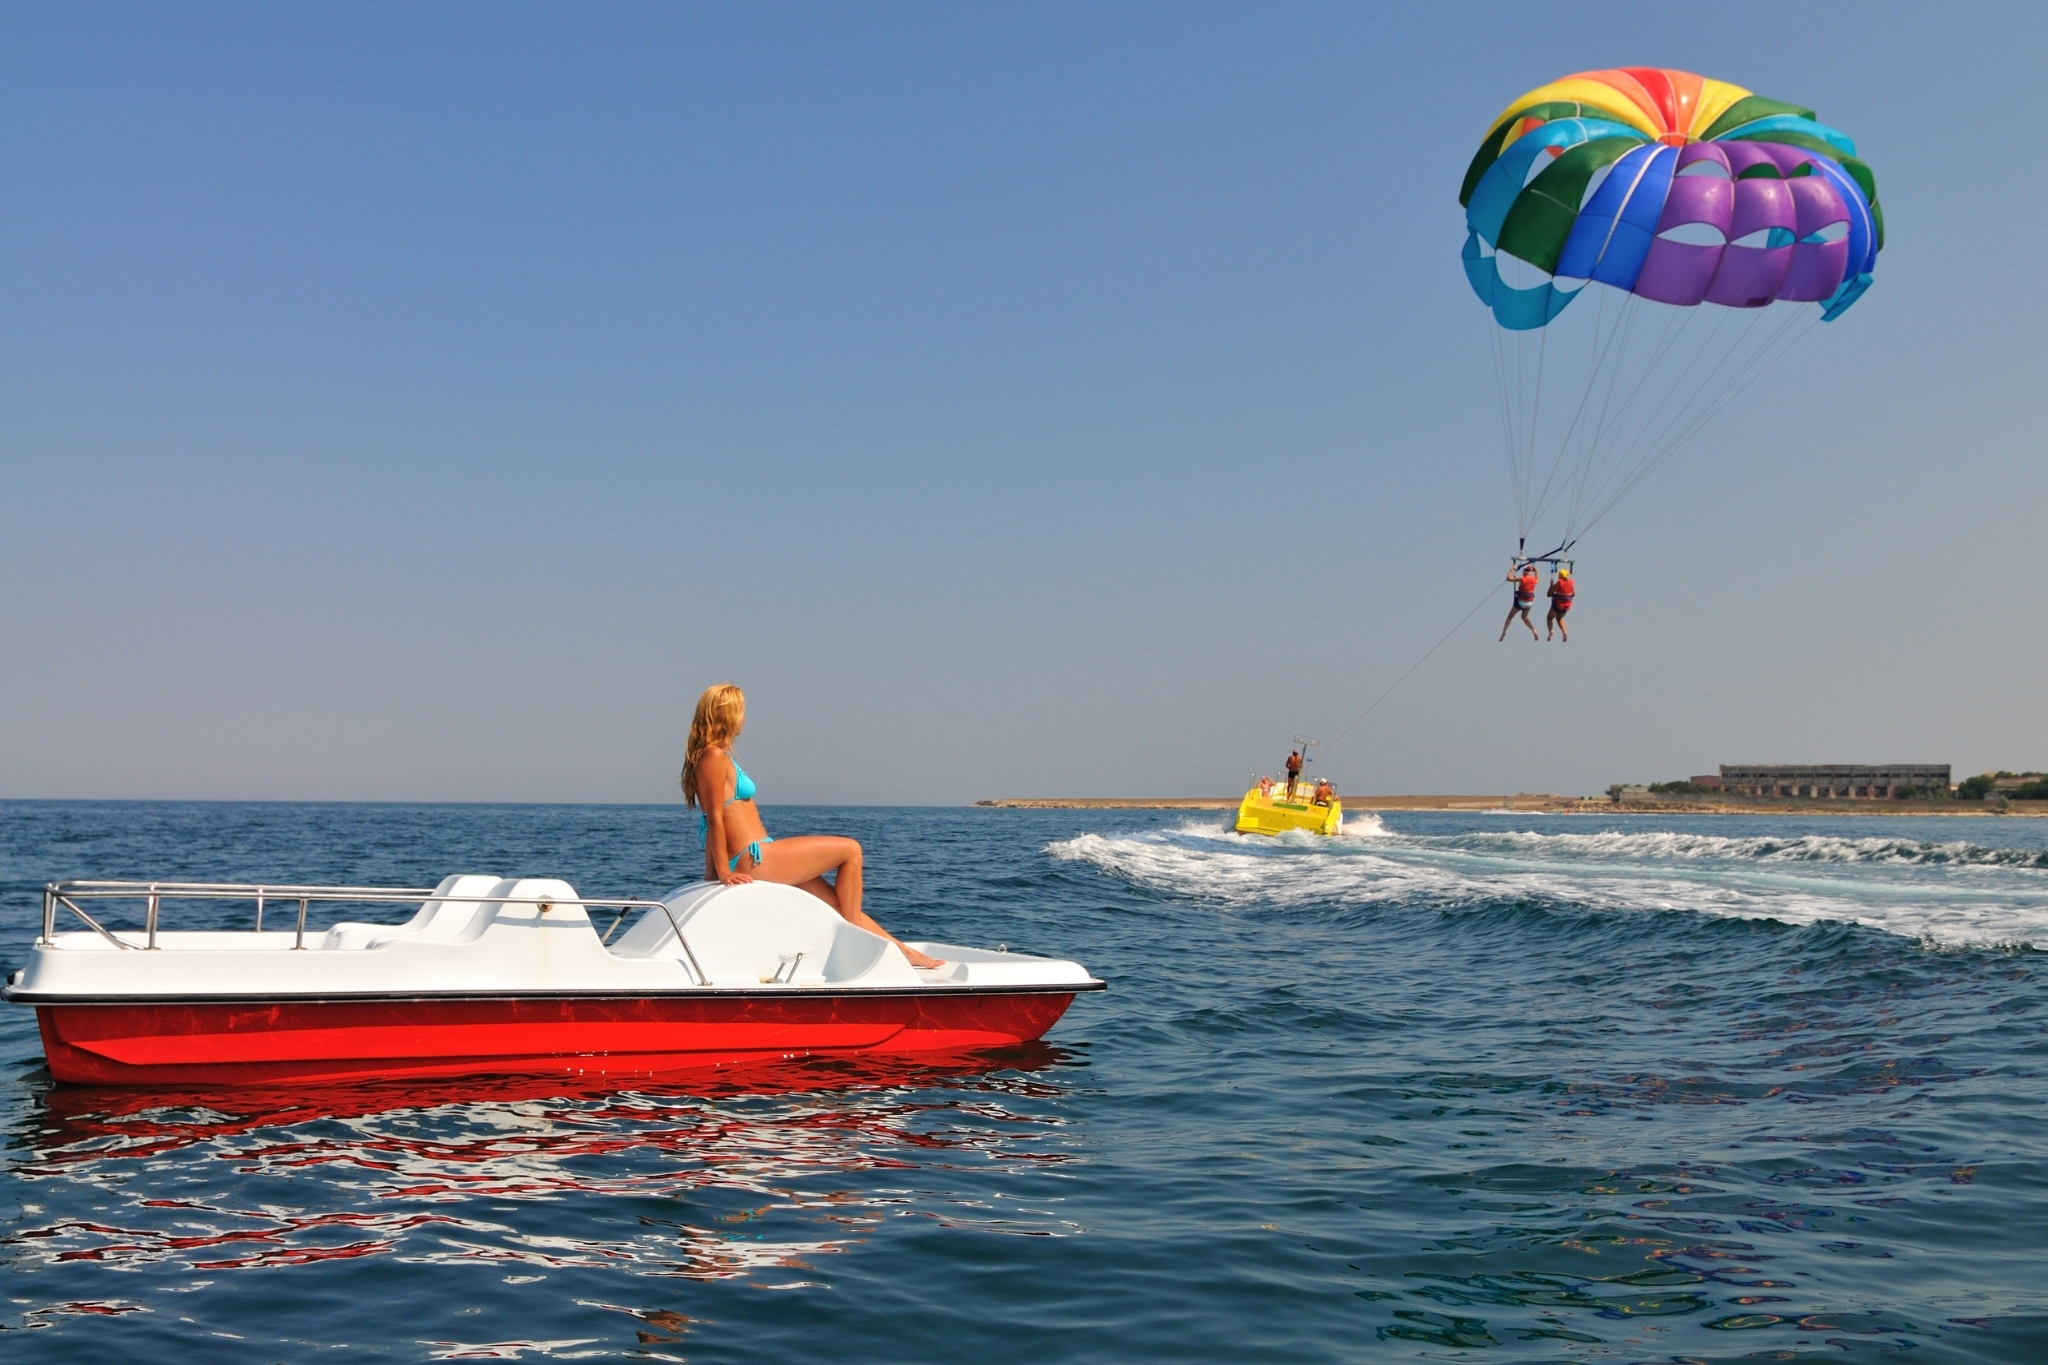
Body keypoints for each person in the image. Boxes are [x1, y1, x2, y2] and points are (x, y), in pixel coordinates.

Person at [681, 683, 943, 969]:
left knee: (839, 904)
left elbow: (712, 819)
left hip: (757, 854)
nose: (745, 719)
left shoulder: (716, 756)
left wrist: (711, 872)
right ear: (727, 714)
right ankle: (856, 940)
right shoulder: (712, 757)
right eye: (741, 712)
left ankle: (905, 953)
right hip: (754, 858)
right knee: (851, 851)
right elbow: (715, 818)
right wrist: (722, 872)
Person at [1500, 562, 1540, 641]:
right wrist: (1536, 571)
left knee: (1510, 617)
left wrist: (1512, 569)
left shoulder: (1522, 579)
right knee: (1524, 618)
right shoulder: (1534, 580)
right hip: (1528, 604)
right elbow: (1538, 579)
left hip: (1520, 602)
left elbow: (1508, 578)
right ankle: (1534, 630)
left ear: (1523, 572)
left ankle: (1504, 632)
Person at [1546, 566, 1575, 642]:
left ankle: (1551, 630)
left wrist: (1551, 586)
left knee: (1549, 618)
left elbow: (1549, 594)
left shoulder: (1559, 583)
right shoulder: (1571, 582)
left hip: (1558, 605)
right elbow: (1573, 594)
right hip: (1567, 606)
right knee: (1559, 618)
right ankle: (1564, 632)